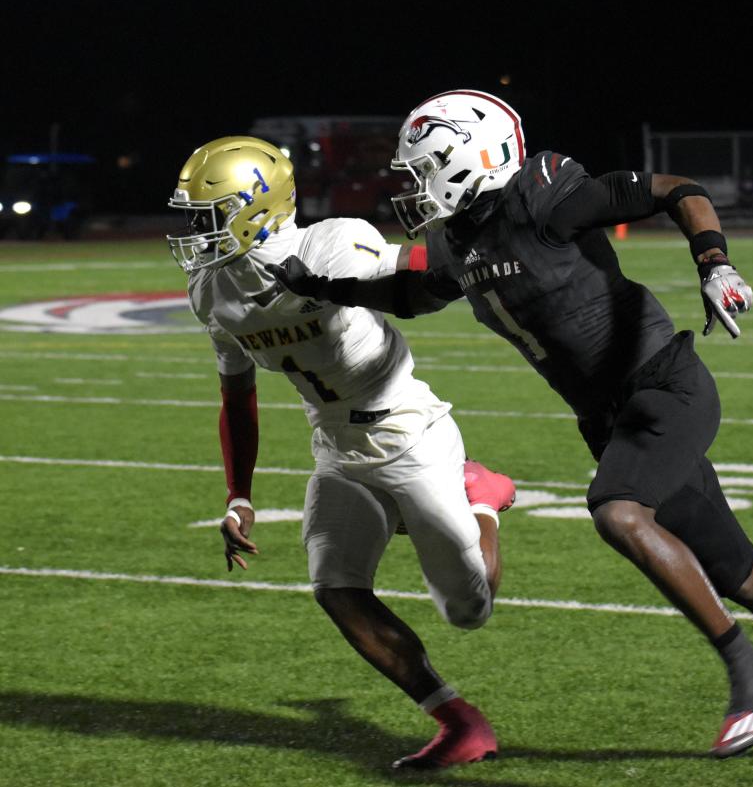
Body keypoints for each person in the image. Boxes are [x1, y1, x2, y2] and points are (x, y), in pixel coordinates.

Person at [266, 90, 753, 757]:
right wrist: (326, 284)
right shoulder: (457, 236)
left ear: (467, 157)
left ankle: (749, 674)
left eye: (423, 168)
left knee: (617, 512)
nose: (412, 185)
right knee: (736, 569)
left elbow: (677, 188)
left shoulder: (543, 194)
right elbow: (414, 293)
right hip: (607, 417)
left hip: (664, 384)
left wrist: (714, 262)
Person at [166, 135, 517, 770]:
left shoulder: (328, 242)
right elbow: (236, 397)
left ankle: (485, 498)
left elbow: (420, 272)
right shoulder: (212, 291)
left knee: (469, 610)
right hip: (334, 442)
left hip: (409, 429)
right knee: (336, 586)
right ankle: (458, 720)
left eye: (207, 215)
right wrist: (238, 497)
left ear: (253, 205)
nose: (195, 232)